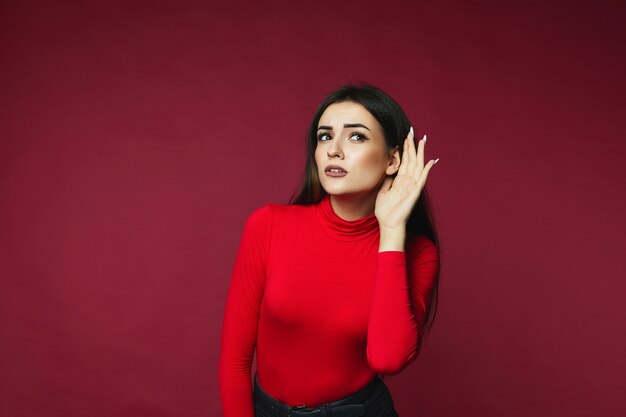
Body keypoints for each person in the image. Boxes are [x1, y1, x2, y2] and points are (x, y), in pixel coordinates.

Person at [219, 83, 441, 417]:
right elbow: (234, 362)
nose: (334, 150)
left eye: (356, 137)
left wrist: (392, 231)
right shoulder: (268, 226)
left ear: (393, 159)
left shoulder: (418, 252)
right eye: (325, 136)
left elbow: (388, 358)